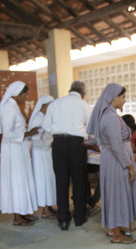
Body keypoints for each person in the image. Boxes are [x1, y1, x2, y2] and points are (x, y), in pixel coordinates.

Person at [87, 83, 136, 244]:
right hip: (116, 162)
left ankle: (114, 227)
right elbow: (116, 145)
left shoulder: (109, 115)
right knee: (117, 195)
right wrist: (128, 165)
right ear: (114, 97)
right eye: (123, 97)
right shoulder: (110, 117)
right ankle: (117, 234)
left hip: (113, 160)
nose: (124, 100)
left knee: (114, 193)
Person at [0, 81, 39, 226]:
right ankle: (17, 217)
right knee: (17, 181)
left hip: (19, 148)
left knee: (23, 180)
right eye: (25, 94)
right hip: (13, 150)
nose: (26, 97)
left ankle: (23, 212)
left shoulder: (14, 107)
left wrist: (26, 133)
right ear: (18, 93)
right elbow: (7, 133)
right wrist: (27, 133)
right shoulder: (8, 108)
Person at [43, 81, 89, 231]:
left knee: (61, 181)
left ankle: (63, 220)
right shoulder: (83, 105)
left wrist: (59, 131)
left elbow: (46, 126)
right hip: (76, 144)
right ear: (83, 93)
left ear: (70, 90)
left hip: (58, 143)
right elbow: (90, 127)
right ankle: (79, 217)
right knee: (78, 180)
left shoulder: (55, 104)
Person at [28, 95, 57, 219]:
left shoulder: (43, 118)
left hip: (46, 153)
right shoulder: (38, 119)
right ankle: (45, 209)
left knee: (49, 180)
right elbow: (35, 140)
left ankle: (48, 206)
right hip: (41, 154)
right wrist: (49, 144)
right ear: (44, 106)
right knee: (44, 181)